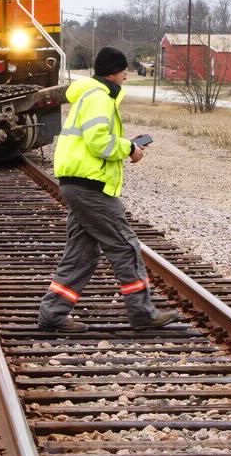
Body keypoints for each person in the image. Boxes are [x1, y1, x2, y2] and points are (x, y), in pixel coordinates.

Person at [37, 47, 178, 333]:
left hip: (78, 183)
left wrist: (127, 146)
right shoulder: (99, 98)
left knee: (81, 254)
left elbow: (97, 139)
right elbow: (99, 142)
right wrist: (129, 148)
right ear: (115, 72)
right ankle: (142, 312)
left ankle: (52, 313)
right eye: (125, 70)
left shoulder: (91, 95)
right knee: (125, 246)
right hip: (90, 186)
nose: (127, 75)